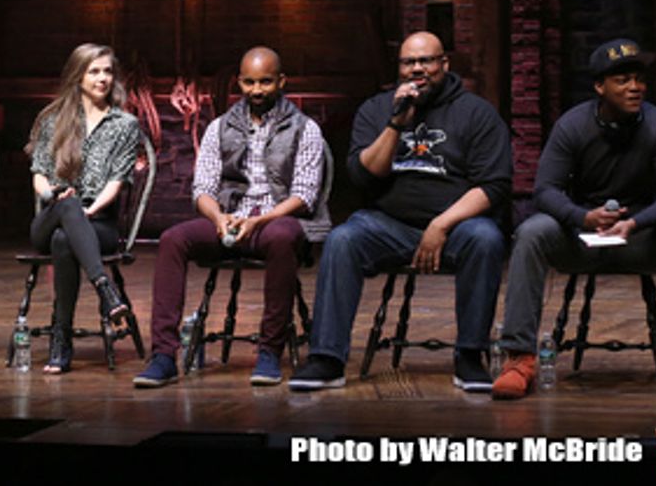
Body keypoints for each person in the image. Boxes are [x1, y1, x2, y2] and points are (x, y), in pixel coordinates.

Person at [492, 38, 656, 402]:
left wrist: (636, 222)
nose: (635, 87)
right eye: (623, 80)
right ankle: (519, 358)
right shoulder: (573, 125)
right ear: (600, 87)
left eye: (639, 79)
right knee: (532, 231)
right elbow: (545, 191)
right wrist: (581, 216)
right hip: (583, 238)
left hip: (640, 238)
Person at [290, 31, 511, 392]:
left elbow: (495, 187)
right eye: (409, 62)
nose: (417, 70)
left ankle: (470, 355)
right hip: (387, 225)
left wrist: (440, 225)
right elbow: (363, 175)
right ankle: (327, 359)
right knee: (344, 239)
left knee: (486, 238)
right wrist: (396, 123)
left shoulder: (476, 113)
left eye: (426, 61)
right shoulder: (377, 109)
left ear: (444, 64)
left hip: (456, 226)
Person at [133, 47, 327, 388]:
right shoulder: (220, 127)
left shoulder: (304, 128)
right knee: (172, 240)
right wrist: (219, 218)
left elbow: (304, 195)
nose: (256, 90)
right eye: (249, 82)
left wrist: (259, 221)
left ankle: (269, 351)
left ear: (281, 81)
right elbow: (203, 188)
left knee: (283, 237)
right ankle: (164, 355)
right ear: (239, 82)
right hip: (231, 219)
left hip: (274, 221)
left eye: (265, 82)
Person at [27, 43, 142, 374]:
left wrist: (88, 212)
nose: (102, 78)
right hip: (51, 216)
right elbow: (38, 173)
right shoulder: (54, 119)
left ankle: (61, 339)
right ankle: (106, 291)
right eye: (94, 71)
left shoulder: (125, 124)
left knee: (66, 240)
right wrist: (53, 196)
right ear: (78, 77)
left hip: (98, 224)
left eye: (107, 71)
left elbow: (116, 183)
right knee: (66, 211)